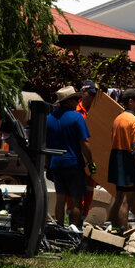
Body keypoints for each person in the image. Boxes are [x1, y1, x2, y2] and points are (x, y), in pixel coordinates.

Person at [46, 85, 95, 229]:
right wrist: (91, 161)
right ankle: (74, 228)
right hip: (74, 164)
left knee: (60, 199)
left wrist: (48, 165)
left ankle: (60, 227)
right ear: (68, 101)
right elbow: (84, 143)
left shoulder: (49, 118)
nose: (77, 101)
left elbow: (46, 144)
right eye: (75, 99)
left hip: (56, 164)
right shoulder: (76, 117)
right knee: (76, 200)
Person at [108, 89, 135, 232]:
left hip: (116, 158)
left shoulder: (117, 118)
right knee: (126, 200)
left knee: (118, 198)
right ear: (130, 101)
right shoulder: (134, 121)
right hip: (128, 162)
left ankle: (114, 230)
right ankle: (123, 232)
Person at [75, 79, 100, 217]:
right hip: (78, 157)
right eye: (91, 94)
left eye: (95, 95)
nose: (93, 98)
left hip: (92, 157)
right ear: (83, 92)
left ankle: (83, 216)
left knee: (90, 188)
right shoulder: (75, 111)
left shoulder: (98, 114)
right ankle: (72, 217)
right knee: (75, 190)